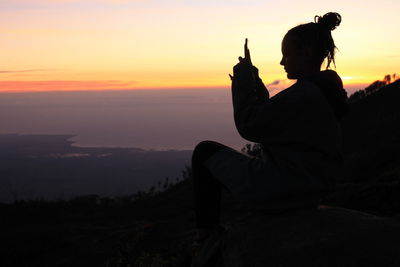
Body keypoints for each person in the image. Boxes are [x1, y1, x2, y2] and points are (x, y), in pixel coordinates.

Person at [190, 12, 348, 264]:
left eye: (287, 54)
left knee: (204, 152)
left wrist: (242, 80)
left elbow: (250, 125)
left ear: (305, 53)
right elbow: (273, 120)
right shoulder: (324, 91)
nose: (282, 61)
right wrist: (256, 85)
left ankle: (206, 236)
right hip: (313, 185)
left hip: (284, 186)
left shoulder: (305, 93)